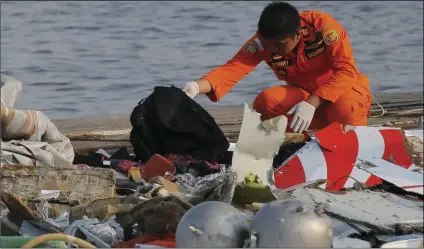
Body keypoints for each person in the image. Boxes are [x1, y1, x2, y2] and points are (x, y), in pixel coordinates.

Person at [182, 1, 372, 133]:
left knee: (347, 107)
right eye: (269, 43)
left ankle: (353, 142)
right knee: (265, 102)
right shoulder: (264, 42)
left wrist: (313, 102)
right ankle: (297, 142)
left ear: (297, 35)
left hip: (341, 93)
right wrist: (195, 87)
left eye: (280, 45)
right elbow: (232, 69)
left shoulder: (322, 27)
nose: (273, 50)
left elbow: (346, 71)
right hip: (304, 98)